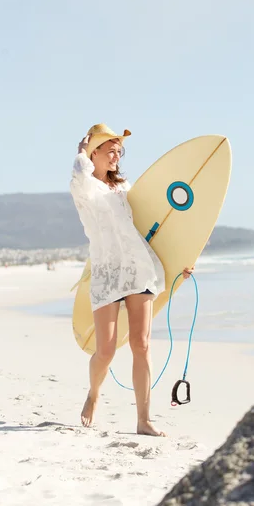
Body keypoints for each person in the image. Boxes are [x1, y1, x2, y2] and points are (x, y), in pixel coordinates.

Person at [70, 124, 193, 436]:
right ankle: (94, 394)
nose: (116, 155)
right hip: (107, 273)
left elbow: (160, 223)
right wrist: (81, 150)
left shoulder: (125, 188)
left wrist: (182, 260)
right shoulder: (84, 188)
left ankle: (143, 420)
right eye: (109, 149)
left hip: (138, 268)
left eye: (118, 150)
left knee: (142, 344)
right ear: (93, 152)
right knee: (106, 350)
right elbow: (80, 172)